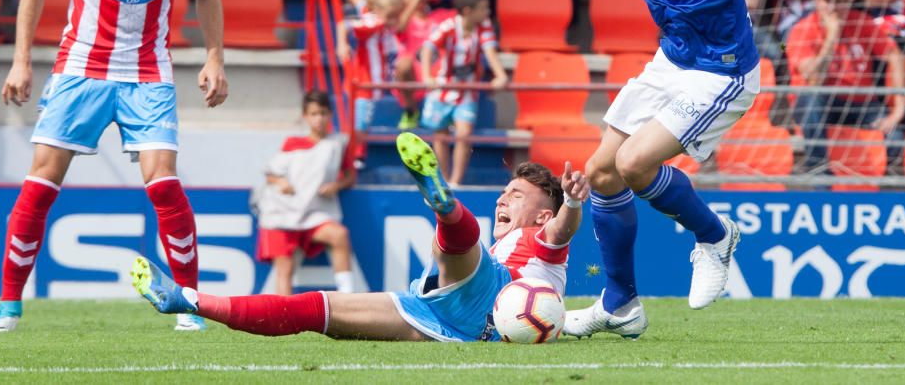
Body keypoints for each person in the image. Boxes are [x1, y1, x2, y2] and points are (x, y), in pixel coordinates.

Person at [354, 0, 905, 337]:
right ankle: (621, 304)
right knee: (601, 172)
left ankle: (714, 235)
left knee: (631, 166)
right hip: (670, 61)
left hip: (723, 68)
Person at [0, 0, 229, 334]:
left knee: (165, 186)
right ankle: (8, 307)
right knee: (40, 186)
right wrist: (21, 60)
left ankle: (189, 307)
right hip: (81, 69)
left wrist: (214, 57)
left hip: (148, 73)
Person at [134, 133, 592, 342]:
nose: (503, 199)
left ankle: (443, 205)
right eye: (505, 192)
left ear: (542, 214)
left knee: (462, 252)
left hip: (491, 299)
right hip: (440, 319)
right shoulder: (507, 245)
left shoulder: (540, 239)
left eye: (516, 195)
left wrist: (572, 205)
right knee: (315, 309)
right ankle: (189, 300)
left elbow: (562, 231)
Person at [787, 0, 905, 174]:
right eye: (828, 0)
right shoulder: (802, 30)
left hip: (860, 104)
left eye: (840, 0)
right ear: (818, 1)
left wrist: (898, 111)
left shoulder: (861, 21)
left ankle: (881, 192)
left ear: (848, 1)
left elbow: (895, 56)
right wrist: (833, 35)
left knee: (896, 137)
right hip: (818, 104)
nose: (833, 6)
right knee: (812, 100)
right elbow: (815, 79)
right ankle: (819, 176)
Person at [256, 91, 355, 296]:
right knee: (284, 269)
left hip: (315, 214)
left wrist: (336, 185)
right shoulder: (291, 143)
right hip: (282, 214)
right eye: (314, 114)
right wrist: (281, 181)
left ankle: (348, 296)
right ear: (305, 116)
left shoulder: (338, 144)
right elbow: (271, 175)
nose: (319, 119)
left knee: (339, 235)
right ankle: (284, 318)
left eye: (323, 113)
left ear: (330, 115)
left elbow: (349, 176)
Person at [421, 0, 508, 186]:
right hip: (443, 88)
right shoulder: (449, 26)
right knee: (440, 134)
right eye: (483, 8)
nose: (487, 13)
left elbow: (490, 52)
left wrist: (501, 75)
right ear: (468, 10)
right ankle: (443, 179)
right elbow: (427, 48)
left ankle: (456, 182)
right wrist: (427, 76)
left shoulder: (484, 27)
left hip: (467, 91)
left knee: (463, 135)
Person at [335, 0, 419, 167]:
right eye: (391, 16)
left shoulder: (381, 19)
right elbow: (344, 24)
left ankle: (355, 154)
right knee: (360, 122)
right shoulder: (373, 23)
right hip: (365, 82)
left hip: (376, 82)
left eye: (396, 16)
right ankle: (355, 156)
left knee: (361, 120)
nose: (394, 21)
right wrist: (342, 45)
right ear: (380, 10)